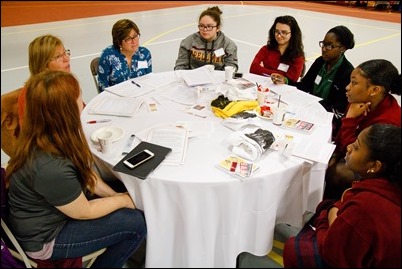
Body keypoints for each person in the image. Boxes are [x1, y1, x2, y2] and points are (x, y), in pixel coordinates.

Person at [5, 70, 147, 268]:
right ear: (67, 111)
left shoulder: (48, 134)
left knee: (124, 200)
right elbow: (84, 212)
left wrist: (115, 195)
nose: (84, 103)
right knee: (137, 224)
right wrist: (122, 200)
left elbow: (87, 174)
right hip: (46, 239)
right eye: (79, 98)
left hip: (52, 213)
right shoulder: (50, 166)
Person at [283, 123, 401, 268]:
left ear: (375, 166)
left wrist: (329, 214)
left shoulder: (366, 207)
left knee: (293, 250)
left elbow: (332, 253)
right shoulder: (388, 184)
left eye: (357, 147)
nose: (349, 147)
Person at [324, 59, 401, 199]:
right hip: (355, 151)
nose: (347, 87)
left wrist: (350, 119)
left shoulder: (387, 121)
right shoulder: (359, 102)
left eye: (354, 83)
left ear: (374, 90)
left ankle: (332, 208)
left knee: (336, 173)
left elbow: (356, 155)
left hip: (372, 167)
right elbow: (342, 141)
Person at [272, 25, 355, 138]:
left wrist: (313, 107)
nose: (324, 48)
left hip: (324, 119)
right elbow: (305, 86)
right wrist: (286, 81)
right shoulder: (320, 62)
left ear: (342, 48)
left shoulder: (347, 73)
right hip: (309, 110)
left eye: (330, 46)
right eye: (323, 44)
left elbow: (338, 110)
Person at [1, 34, 72, 158]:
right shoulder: (37, 97)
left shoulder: (62, 85)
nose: (67, 59)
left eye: (65, 52)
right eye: (58, 56)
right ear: (43, 65)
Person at [174, 6, 238, 71]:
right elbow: (180, 66)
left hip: (218, 80)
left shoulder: (228, 45)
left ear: (218, 28)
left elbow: (231, 68)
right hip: (193, 79)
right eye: (201, 26)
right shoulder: (188, 42)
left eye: (209, 26)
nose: (205, 29)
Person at [97, 19, 152, 93]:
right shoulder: (107, 57)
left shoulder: (144, 54)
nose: (134, 41)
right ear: (119, 42)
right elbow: (103, 88)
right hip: (116, 99)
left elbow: (149, 81)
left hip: (140, 97)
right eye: (128, 39)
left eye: (135, 36)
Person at [249, 15, 305, 82]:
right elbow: (253, 68)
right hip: (263, 87)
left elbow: (291, 80)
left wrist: (263, 70)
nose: (279, 35)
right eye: (276, 31)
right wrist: (280, 74)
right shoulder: (266, 49)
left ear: (292, 34)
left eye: (284, 32)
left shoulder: (297, 56)